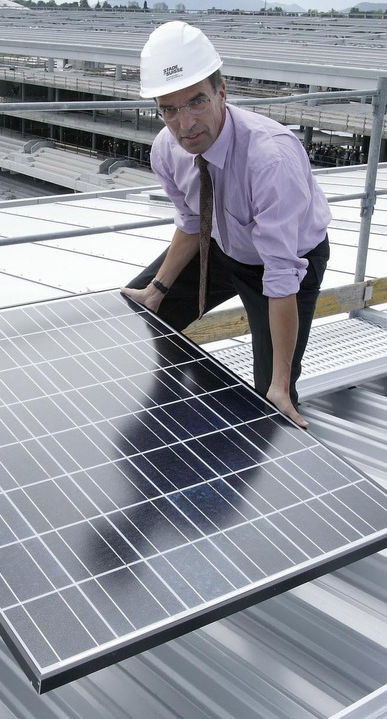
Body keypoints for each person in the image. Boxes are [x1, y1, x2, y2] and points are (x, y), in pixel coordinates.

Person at [122, 21, 331, 429]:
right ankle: (168, 415)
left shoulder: (270, 159)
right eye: (169, 109)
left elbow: (281, 274)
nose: (186, 125)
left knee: (271, 394)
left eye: (196, 102)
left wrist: (281, 383)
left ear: (222, 92)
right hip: (216, 243)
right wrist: (157, 288)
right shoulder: (166, 150)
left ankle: (274, 439)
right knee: (143, 311)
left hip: (286, 261)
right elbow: (191, 219)